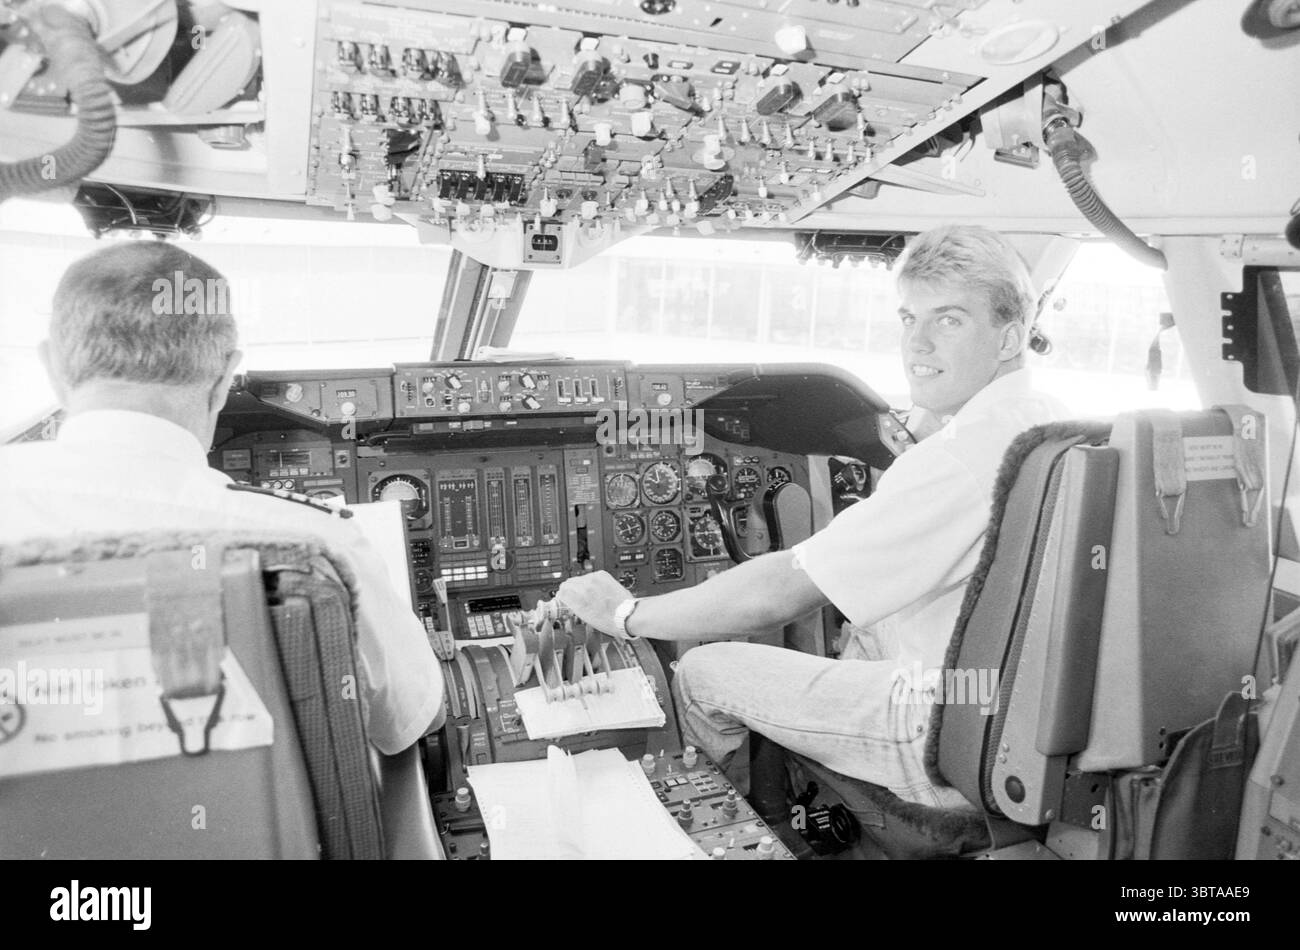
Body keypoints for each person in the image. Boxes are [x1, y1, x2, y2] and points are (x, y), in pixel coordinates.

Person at [558, 225, 1070, 808]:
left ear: (1009, 339)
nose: (917, 345)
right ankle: (819, 772)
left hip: (938, 724)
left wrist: (626, 613)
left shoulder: (958, 458)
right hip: (1007, 697)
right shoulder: (1045, 418)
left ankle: (735, 828)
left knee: (701, 670)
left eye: (949, 320)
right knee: (864, 625)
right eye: (909, 318)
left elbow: (781, 594)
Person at [0, 242, 443, 756]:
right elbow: (414, 720)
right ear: (224, 376)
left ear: (52, 367)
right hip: (270, 839)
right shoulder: (312, 541)